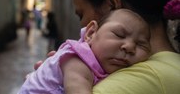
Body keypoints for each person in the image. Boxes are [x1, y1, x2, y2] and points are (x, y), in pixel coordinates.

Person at [33, 0, 180, 94]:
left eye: (82, 14)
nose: (83, 26)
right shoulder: (171, 65)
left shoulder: (142, 80)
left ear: (112, 4)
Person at [18, 9, 151, 94]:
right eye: (119, 35)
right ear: (91, 33)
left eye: (141, 45)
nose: (129, 47)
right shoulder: (78, 60)